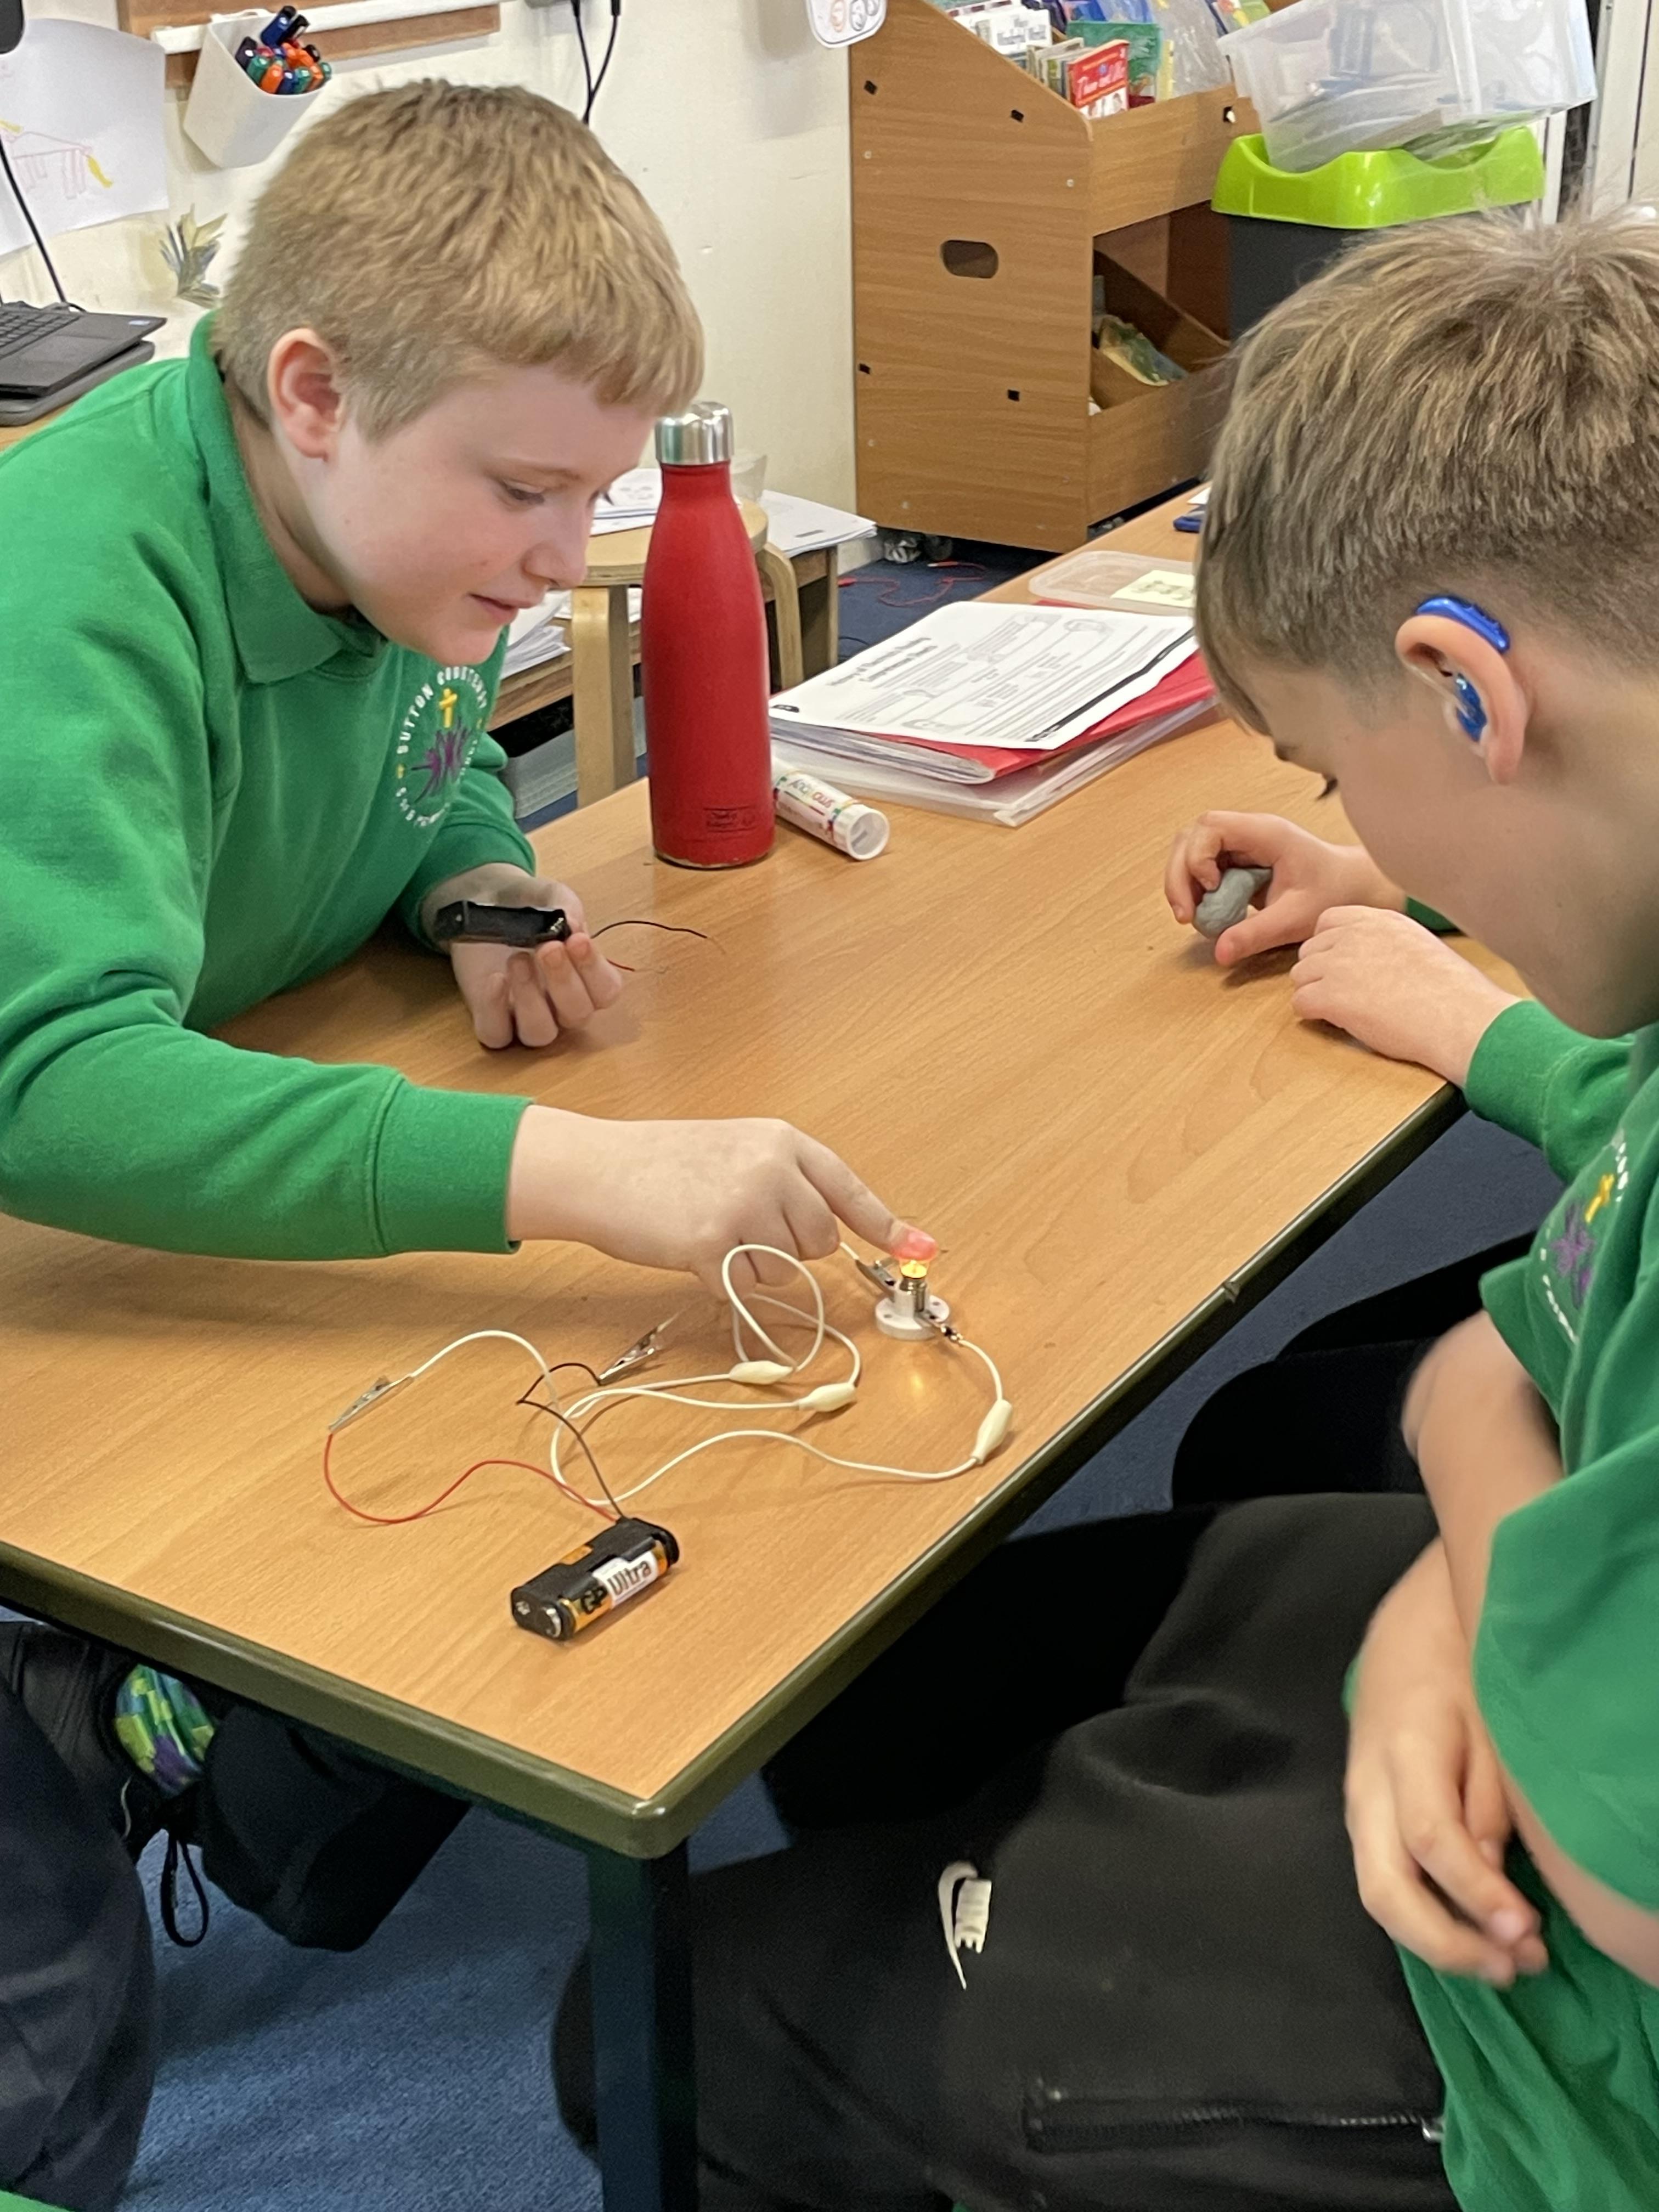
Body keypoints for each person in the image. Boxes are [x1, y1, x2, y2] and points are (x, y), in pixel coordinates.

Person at [555, 211, 1659, 2212]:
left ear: (1465, 693)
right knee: (903, 1686)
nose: (1350, 831)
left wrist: (1467, 1460)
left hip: (1568, 2058)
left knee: (646, 2032)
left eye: (1332, 773)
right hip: (1551, 1643)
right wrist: (1481, 1537)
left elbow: (1629, 1876)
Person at [0, 80, 930, 2197]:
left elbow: (438, 759)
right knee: (44, 2062)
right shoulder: (64, 591)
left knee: (473, 1505)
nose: (555, 554)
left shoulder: (384, 538)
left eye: (592, 491)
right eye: (525, 491)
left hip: (128, 1223)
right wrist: (568, 1179)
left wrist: (471, 882)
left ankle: (168, 1718)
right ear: (312, 393)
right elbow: (44, 1081)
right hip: (38, 1216)